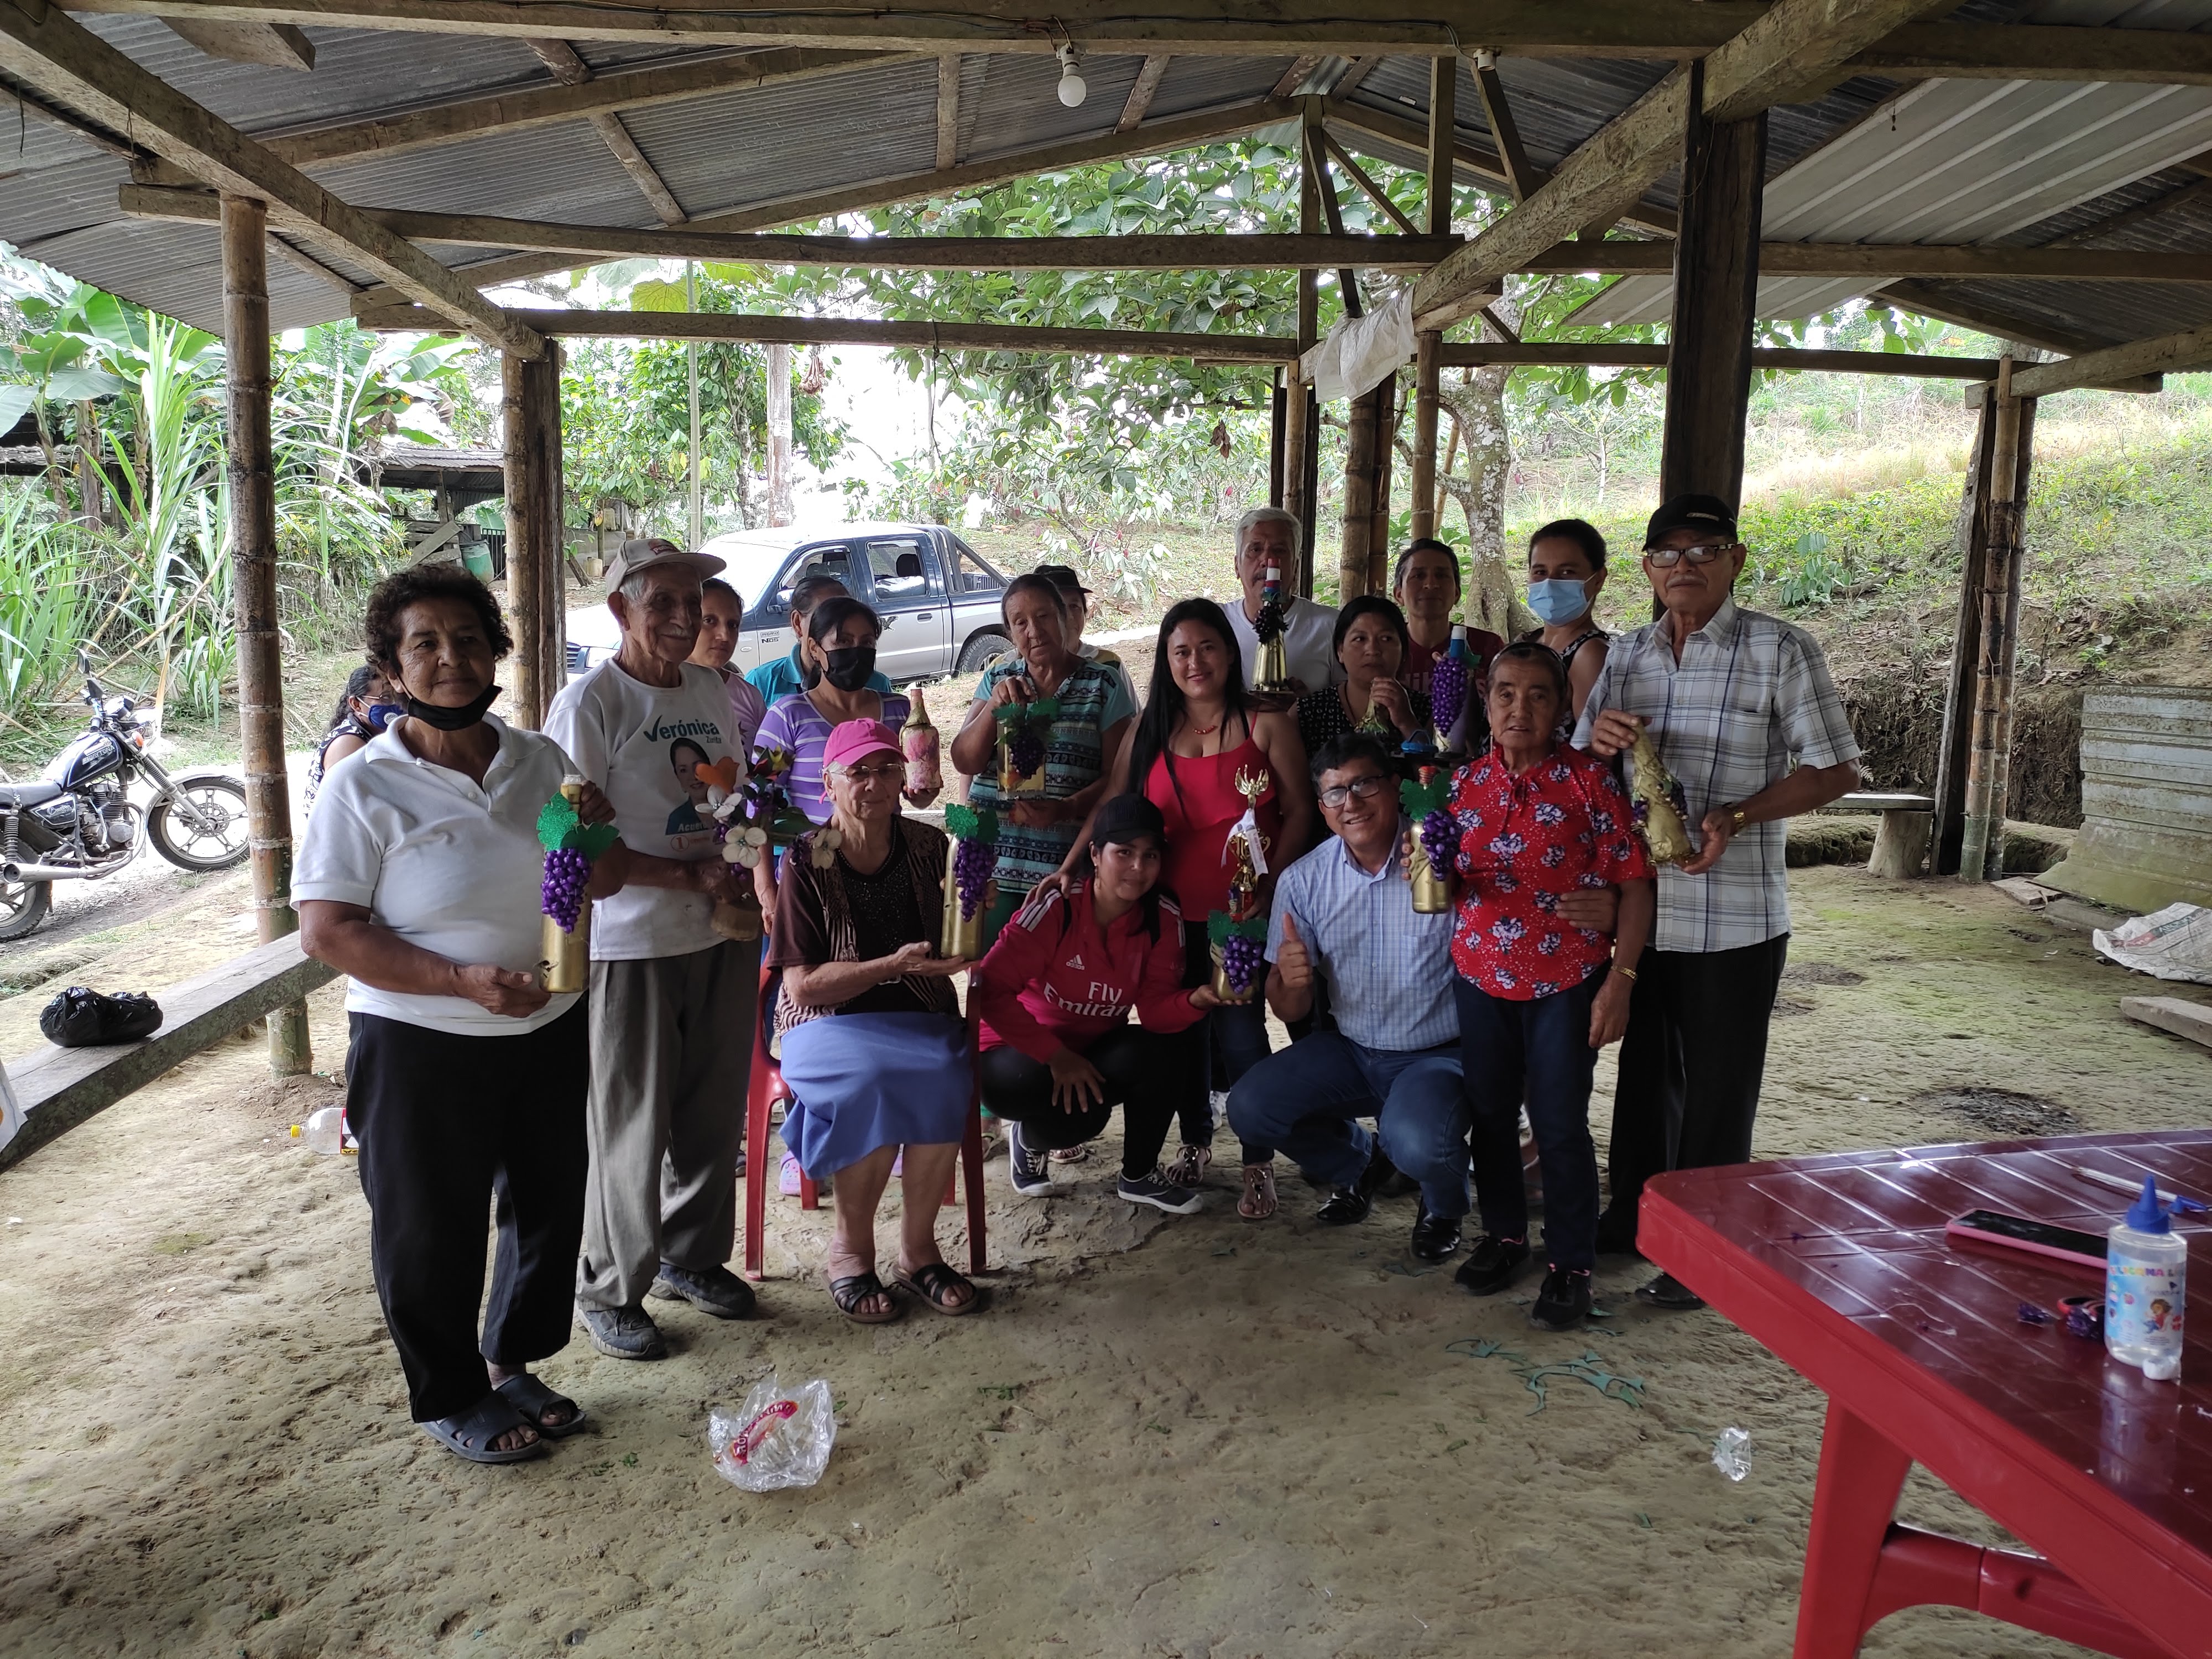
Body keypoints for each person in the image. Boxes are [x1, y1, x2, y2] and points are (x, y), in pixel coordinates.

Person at [296, 565, 619, 1464]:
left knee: (548, 1203)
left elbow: (602, 879)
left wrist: (594, 828)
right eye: (426, 643)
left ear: (495, 651)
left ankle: (510, 1362)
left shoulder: (539, 761)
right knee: (428, 1223)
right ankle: (450, 1393)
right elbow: (327, 931)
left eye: (469, 639)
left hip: (545, 1024)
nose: (451, 658)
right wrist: (458, 980)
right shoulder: (365, 785)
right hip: (420, 1038)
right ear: (392, 667)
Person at [1579, 494, 1861, 1310]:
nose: (1685, 567)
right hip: (1645, 914)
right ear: (1646, 569)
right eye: (1667, 554)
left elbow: (1836, 770)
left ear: (1735, 560)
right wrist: (1597, 745)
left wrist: (1736, 816)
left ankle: (1703, 1256)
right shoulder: (1626, 656)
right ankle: (1634, 1217)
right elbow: (1584, 768)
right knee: (1645, 1078)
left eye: (1704, 550)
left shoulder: (1779, 649)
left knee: (1718, 1092)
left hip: (1736, 919)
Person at [545, 538, 760, 1361]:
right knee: (631, 1121)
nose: (682, 618)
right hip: (629, 943)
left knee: (711, 1111)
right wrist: (685, 875)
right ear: (620, 610)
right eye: (661, 602)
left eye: (691, 603)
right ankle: (609, 1286)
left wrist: (739, 854)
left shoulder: (709, 688)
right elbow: (567, 830)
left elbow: (729, 792)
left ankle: (691, 1256)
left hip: (718, 928)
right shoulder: (590, 703)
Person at [1066, 598, 1315, 1218]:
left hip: (1241, 912)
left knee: (1241, 1033)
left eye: (1207, 647)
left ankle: (1257, 1160)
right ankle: (1196, 1141)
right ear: (1166, 660)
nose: (1195, 662)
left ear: (1230, 652)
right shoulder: (1149, 728)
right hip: (1166, 915)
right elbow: (1113, 807)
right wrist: (1070, 867)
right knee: (1180, 1036)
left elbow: (1300, 810)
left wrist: (1270, 888)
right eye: (1181, 651)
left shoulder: (1266, 723)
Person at [1446, 642, 1656, 1329]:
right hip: (1480, 977)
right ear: (1486, 702)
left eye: (1538, 694)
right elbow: (1442, 881)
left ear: (1564, 705)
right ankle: (1505, 1236)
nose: (1520, 708)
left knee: (1559, 1122)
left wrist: (1620, 981)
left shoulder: (1590, 784)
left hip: (1565, 981)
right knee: (1489, 1115)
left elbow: (1635, 885)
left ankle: (1571, 1263)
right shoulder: (1461, 786)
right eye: (1505, 693)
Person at [766, 719, 978, 1323]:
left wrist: (971, 916)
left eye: (887, 769)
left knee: (946, 1073)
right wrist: (889, 965)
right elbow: (801, 984)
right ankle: (850, 1252)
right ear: (828, 784)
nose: (875, 783)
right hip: (824, 1022)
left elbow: (954, 942)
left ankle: (918, 1251)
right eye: (857, 772)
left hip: (918, 1013)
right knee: (869, 1081)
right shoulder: (806, 859)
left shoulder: (929, 846)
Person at [1225, 734, 1467, 1256]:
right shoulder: (1304, 880)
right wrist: (1290, 981)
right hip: (1353, 1051)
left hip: (1435, 1055)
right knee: (1250, 1107)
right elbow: (1289, 1009)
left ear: (1396, 788)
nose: (1351, 803)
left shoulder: (1441, 859)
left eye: (1365, 785)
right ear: (1322, 807)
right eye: (1335, 793)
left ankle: (1444, 1204)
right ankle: (1363, 1164)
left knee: (1419, 1141)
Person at [971, 794, 1220, 1211]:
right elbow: (989, 990)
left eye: (1150, 855)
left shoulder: (1161, 917)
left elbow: (1155, 1012)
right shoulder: (1057, 906)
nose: (1138, 867)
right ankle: (1030, 1139)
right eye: (1124, 852)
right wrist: (1055, 1055)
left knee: (1160, 1054)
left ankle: (1139, 1175)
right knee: (1034, 1089)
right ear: (1094, 854)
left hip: (1089, 1051)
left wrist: (1196, 1000)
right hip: (1017, 1049)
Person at [948, 572, 1135, 944]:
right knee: (989, 971)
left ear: (1064, 618)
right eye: (1020, 622)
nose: (1034, 631)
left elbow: (1118, 778)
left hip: (1062, 872)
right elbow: (965, 761)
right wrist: (994, 708)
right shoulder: (998, 678)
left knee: (1056, 975)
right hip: (990, 872)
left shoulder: (1103, 683)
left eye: (1044, 616)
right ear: (1010, 632)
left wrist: (1066, 808)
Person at [755, 596, 928, 827]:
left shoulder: (901, 711)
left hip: (888, 846)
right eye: (843, 642)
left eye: (866, 643)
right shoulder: (787, 717)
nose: (856, 651)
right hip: (813, 848)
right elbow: (760, 799)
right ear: (814, 648)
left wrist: (922, 793)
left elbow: (918, 790)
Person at [1219, 507, 1338, 695]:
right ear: (1237, 566)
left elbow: (1353, 702)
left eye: (1279, 551)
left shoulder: (1331, 627)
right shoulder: (1215, 624)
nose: (1267, 559)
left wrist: (1307, 706)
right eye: (1255, 549)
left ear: (1296, 567)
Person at [1293, 595, 1433, 756]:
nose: (1373, 650)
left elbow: (1435, 770)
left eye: (1386, 639)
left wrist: (1407, 722)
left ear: (1403, 652)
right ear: (1340, 651)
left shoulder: (1429, 711)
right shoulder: (1308, 712)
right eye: (1360, 639)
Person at [745, 571, 894, 705]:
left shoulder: (876, 684)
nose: (840, 628)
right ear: (797, 622)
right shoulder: (761, 683)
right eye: (825, 617)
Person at [1392, 538, 1505, 703]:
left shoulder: (1487, 647)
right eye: (1419, 576)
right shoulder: (1384, 647)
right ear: (1399, 594)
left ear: (1457, 594)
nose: (1431, 584)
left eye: (1441, 576)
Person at [1522, 519, 1611, 721]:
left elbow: (1589, 739)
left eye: (1567, 572)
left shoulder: (1590, 655)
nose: (1550, 583)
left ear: (1598, 580)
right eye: (1540, 572)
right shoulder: (1529, 641)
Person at [1035, 561, 1138, 709]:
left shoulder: (1109, 663)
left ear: (1085, 613)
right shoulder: (1006, 669)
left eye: (1074, 606)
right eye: (1058, 608)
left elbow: (1134, 719)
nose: (1069, 617)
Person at [302, 663, 401, 813]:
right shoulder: (348, 744)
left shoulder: (379, 734)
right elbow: (344, 808)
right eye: (386, 698)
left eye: (398, 697)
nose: (395, 705)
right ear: (356, 704)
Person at [691, 575, 769, 752]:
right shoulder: (659, 693)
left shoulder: (749, 697)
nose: (724, 636)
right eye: (709, 621)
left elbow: (765, 761)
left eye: (732, 625)